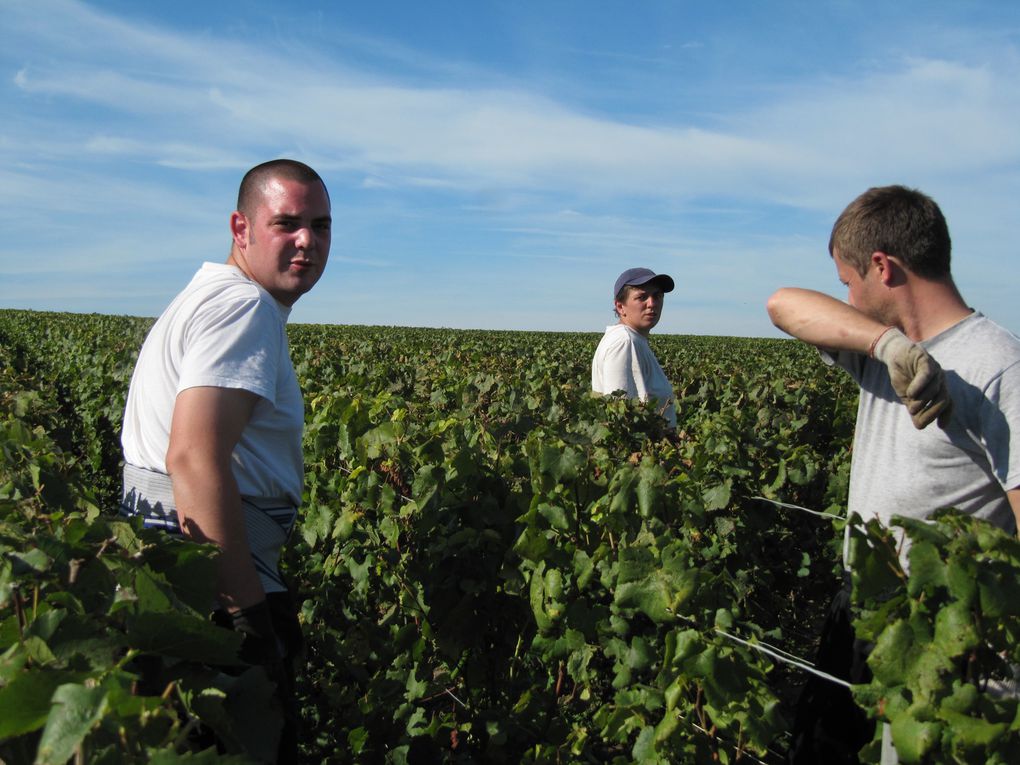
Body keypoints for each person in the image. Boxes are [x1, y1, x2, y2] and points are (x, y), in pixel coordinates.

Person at [766, 184, 1020, 764]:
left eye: (849, 281)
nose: (847, 297)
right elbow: (783, 304)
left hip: (950, 652)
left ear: (882, 267)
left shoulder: (1001, 366)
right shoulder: (882, 352)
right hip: (871, 618)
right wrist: (886, 343)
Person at [119, 158, 332, 762]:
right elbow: (192, 456)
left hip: (170, 580)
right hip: (218, 591)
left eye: (320, 225)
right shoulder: (245, 308)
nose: (306, 241)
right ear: (241, 228)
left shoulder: (204, 297)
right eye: (286, 222)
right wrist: (248, 623)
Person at [592, 267, 677, 429]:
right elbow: (620, 414)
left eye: (657, 296)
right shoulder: (624, 342)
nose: (652, 303)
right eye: (642, 297)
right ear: (620, 306)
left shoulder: (631, 339)